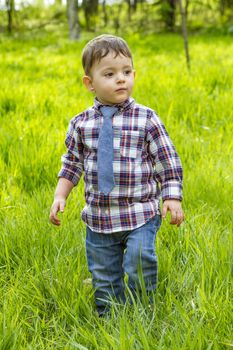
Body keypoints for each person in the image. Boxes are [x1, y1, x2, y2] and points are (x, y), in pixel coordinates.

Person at [49, 34, 184, 316]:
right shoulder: (80, 124)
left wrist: (172, 197)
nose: (120, 79)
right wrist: (60, 195)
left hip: (140, 211)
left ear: (134, 74)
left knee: (138, 259)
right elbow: (72, 164)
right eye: (109, 74)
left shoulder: (146, 118)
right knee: (104, 273)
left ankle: (142, 310)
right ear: (90, 83)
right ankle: (109, 317)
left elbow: (167, 159)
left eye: (126, 72)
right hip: (99, 216)